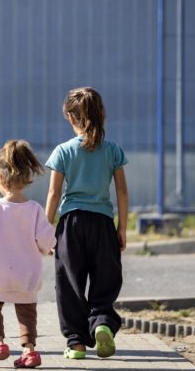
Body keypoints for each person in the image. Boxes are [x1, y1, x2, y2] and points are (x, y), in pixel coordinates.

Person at [44, 87, 128, 360]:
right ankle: (102, 322)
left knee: (69, 283)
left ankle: (76, 342)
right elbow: (122, 192)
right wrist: (122, 228)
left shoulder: (63, 151)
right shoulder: (113, 150)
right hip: (103, 223)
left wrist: (46, 230)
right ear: (102, 114)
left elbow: (54, 194)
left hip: (71, 223)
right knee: (105, 280)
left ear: (70, 117)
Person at [0, 140, 56, 369]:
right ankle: (29, 351)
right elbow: (47, 241)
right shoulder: (35, 209)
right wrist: (50, 248)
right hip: (27, 276)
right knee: (27, 312)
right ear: (27, 177)